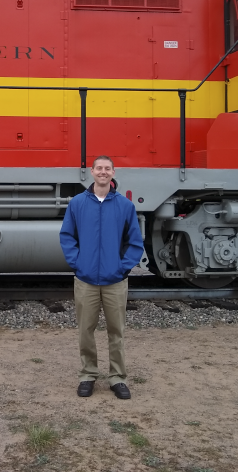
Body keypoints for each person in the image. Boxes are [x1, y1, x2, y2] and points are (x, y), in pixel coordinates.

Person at [59, 155, 144, 399]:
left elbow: (135, 242)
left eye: (107, 168)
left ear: (113, 172)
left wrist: (123, 268)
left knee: (116, 331)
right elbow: (67, 236)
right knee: (85, 330)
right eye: (99, 168)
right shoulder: (77, 203)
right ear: (91, 172)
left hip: (115, 281)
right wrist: (78, 265)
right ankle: (88, 375)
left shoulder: (125, 206)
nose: (103, 172)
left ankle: (117, 378)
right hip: (85, 280)